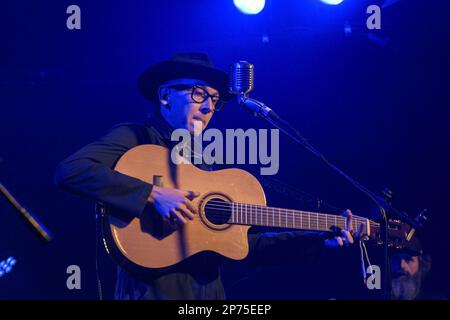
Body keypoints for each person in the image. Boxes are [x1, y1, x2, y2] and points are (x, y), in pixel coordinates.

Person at [55, 52, 356, 300]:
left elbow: (244, 245)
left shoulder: (205, 163)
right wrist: (153, 194)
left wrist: (317, 240)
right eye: (199, 93)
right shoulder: (136, 136)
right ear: (165, 96)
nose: (209, 106)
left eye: (215, 99)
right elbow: (71, 170)